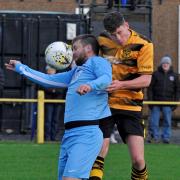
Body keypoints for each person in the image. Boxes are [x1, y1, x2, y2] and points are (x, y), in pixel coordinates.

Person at [5, 34, 112, 180]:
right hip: (69, 135)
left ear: (88, 48)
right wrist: (21, 68)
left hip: (86, 134)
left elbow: (106, 79)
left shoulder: (98, 62)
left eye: (75, 48)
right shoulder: (76, 72)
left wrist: (90, 85)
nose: (72, 53)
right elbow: (48, 80)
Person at [89, 11, 153, 180]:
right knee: (98, 155)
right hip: (104, 104)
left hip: (130, 105)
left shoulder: (144, 44)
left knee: (138, 161)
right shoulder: (100, 41)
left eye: (120, 32)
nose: (117, 38)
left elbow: (146, 80)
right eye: (113, 34)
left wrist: (121, 84)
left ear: (127, 26)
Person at [147, 55, 179, 144]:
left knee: (167, 122)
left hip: (168, 103)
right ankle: (155, 137)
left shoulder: (174, 76)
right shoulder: (155, 74)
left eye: (167, 63)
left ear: (170, 64)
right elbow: (150, 89)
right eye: (164, 63)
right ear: (161, 64)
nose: (165, 64)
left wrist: (175, 103)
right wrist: (150, 102)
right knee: (154, 122)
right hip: (155, 103)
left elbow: (177, 90)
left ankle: (166, 138)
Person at [44, 65, 66, 141]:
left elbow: (61, 90)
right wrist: (54, 91)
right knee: (48, 120)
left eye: (52, 70)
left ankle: (53, 137)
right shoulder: (44, 78)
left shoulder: (59, 78)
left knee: (56, 120)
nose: (50, 72)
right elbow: (43, 88)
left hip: (58, 102)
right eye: (49, 70)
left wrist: (53, 91)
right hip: (48, 102)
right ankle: (47, 137)